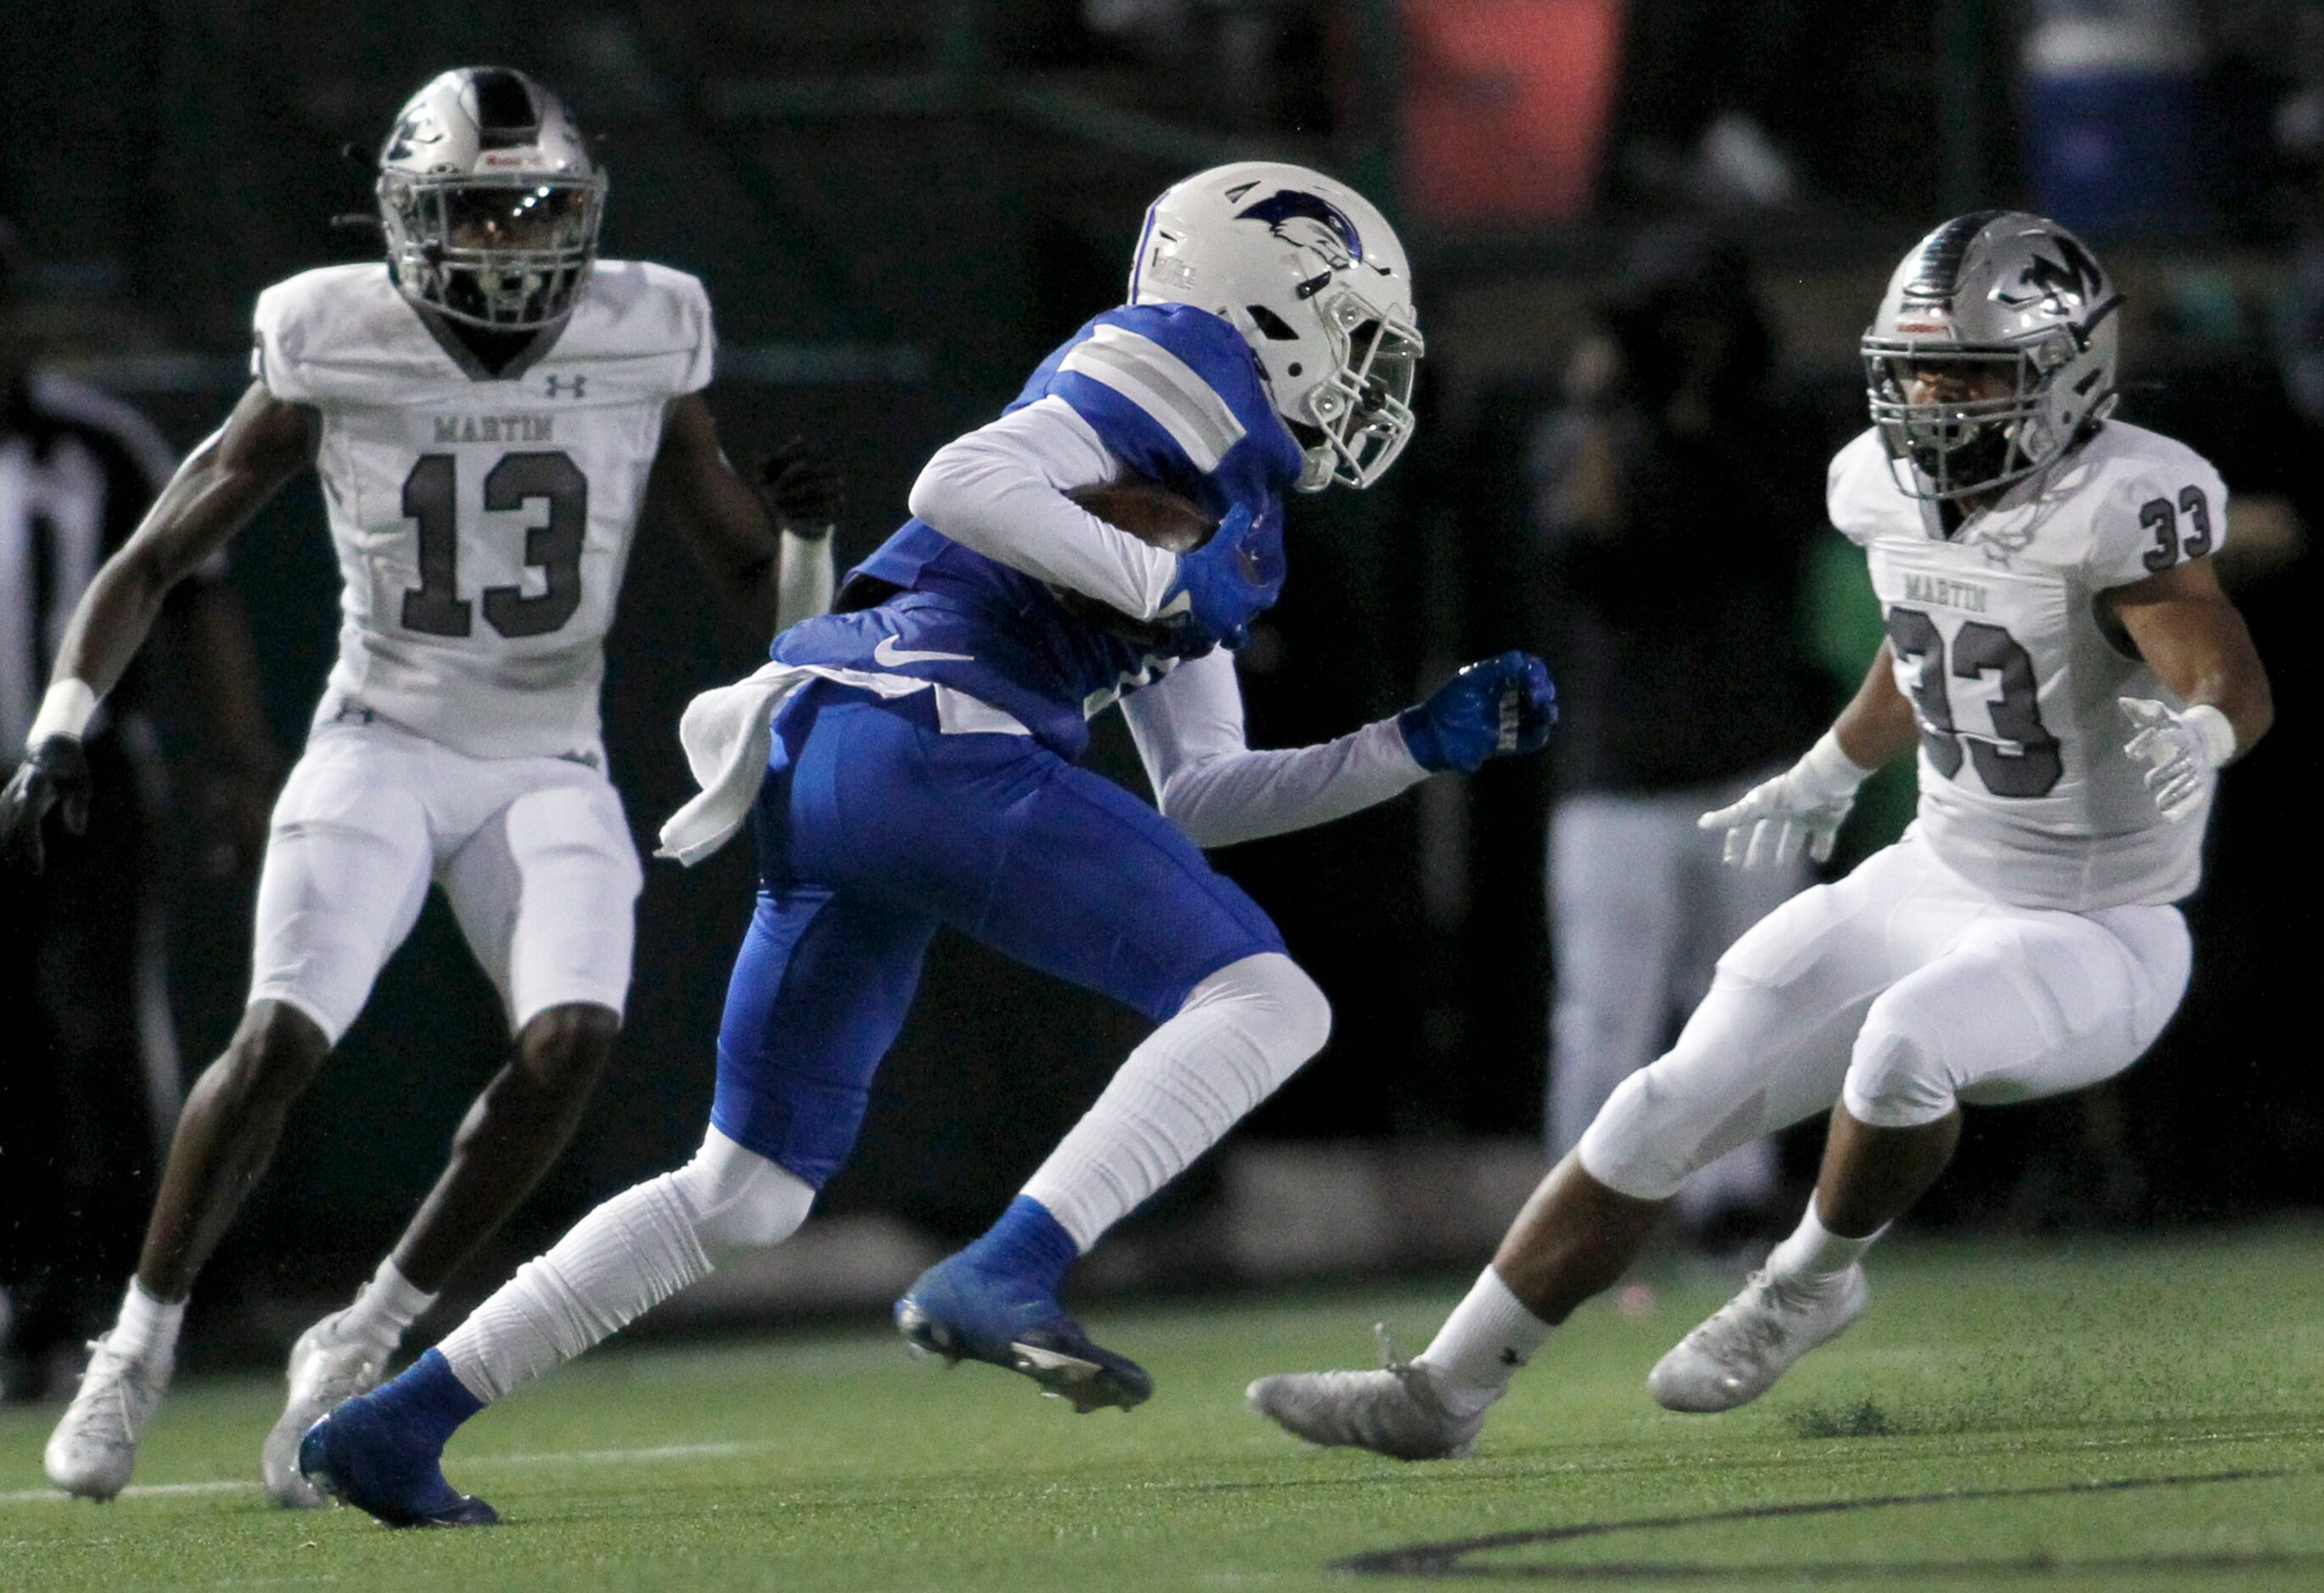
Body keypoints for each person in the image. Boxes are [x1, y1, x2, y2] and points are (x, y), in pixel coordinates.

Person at [296, 160, 1557, 1528]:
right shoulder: (1183, 358)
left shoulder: (1229, 482)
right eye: (1356, 334)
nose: (1369, 378)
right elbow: (960, 482)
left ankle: (397, 1420)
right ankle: (1009, 1262)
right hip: (930, 730)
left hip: (840, 750)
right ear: (1267, 303)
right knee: (1269, 997)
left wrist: (1411, 746)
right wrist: (1151, 573)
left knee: (749, 1189)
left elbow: (1203, 790)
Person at [1247, 210, 2272, 1458]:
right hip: (1933, 875)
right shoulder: (1880, 482)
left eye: (1969, 376)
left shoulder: (2123, 497)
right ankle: (1441, 1390)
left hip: (2099, 925)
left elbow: (2222, 666)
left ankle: (1807, 1280)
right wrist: (1830, 768)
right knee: (1657, 1100)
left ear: (2068, 376)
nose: (1933, 405)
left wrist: (2205, 729)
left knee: (1905, 1043)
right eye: (1914, 373)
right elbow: (1928, 644)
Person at [0, 68, 841, 1505]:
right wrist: (60, 722)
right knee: (276, 1038)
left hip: (549, 752)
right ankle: (134, 1344)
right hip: (379, 736)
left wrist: (811, 547)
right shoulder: (334, 335)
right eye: (479, 213)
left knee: (573, 1038)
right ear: (404, 220)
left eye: (537, 212)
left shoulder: (648, 327)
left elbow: (756, 572)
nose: (510, 245)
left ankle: (366, 1328)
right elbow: (146, 559)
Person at [0, 211, 276, 1403]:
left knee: (108, 1038)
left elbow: (195, 596)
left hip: (83, 789)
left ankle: (144, 1292)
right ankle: (25, 1303)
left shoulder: (102, 445)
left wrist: (240, 762)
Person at [1528, 229, 1820, 1245]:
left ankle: (1730, 1205)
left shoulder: (1768, 430)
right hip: (1618, 772)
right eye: (1672, 322)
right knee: (1603, 1013)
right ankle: (1577, 1212)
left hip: (1749, 762)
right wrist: (1603, 406)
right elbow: (1582, 543)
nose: (1691, 342)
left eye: (1708, 320)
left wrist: (1700, 423)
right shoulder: (1591, 433)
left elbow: (1785, 528)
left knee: (1748, 1000)